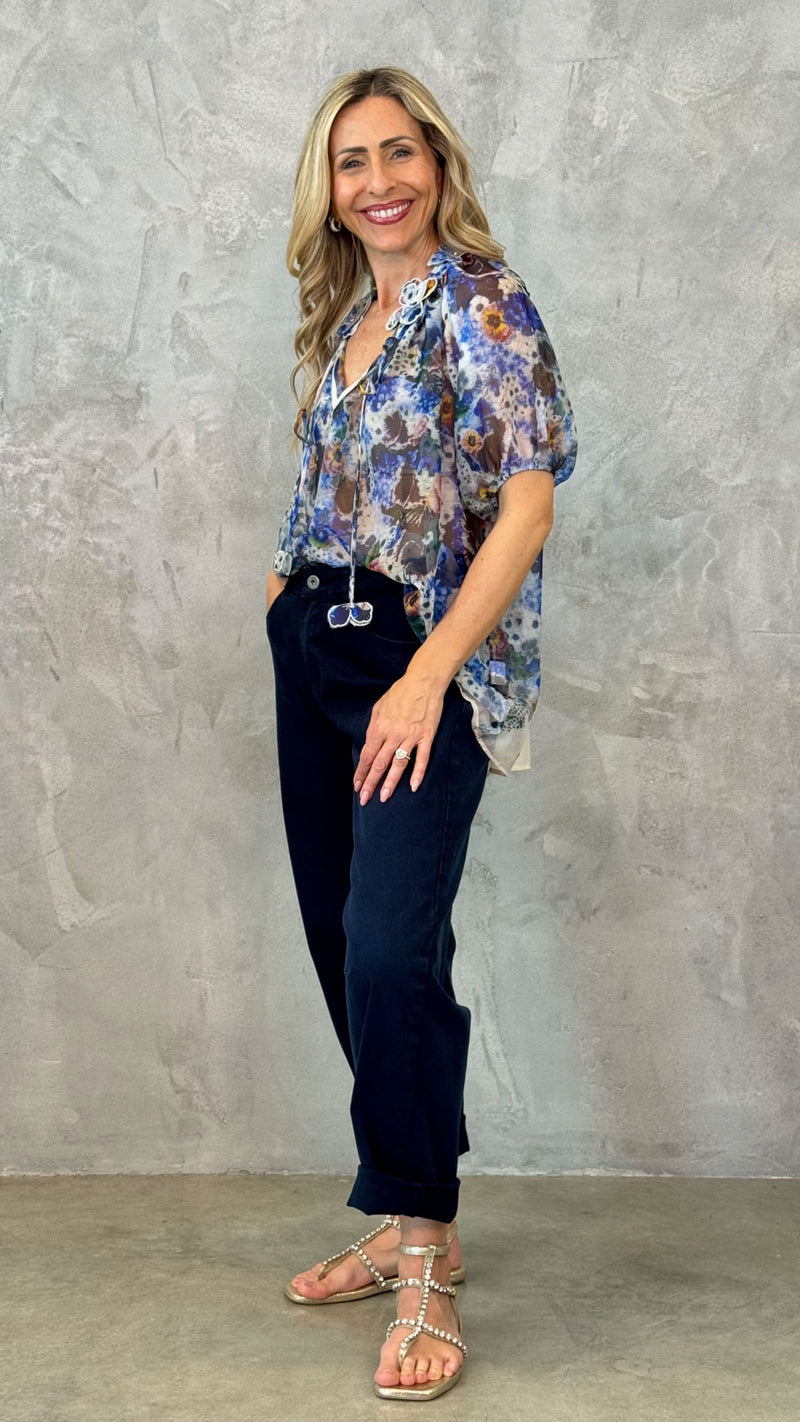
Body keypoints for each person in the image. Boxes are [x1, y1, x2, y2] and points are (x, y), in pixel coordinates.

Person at [265, 65, 578, 1402]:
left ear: (438, 165)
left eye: (402, 153)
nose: (380, 180)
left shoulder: (484, 303)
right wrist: (282, 597)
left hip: (420, 662)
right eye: (354, 162)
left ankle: (428, 1255)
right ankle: (401, 1209)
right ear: (329, 191)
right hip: (315, 651)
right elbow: (327, 488)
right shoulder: (349, 316)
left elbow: (526, 506)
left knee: (394, 946)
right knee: (347, 944)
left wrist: (425, 676)